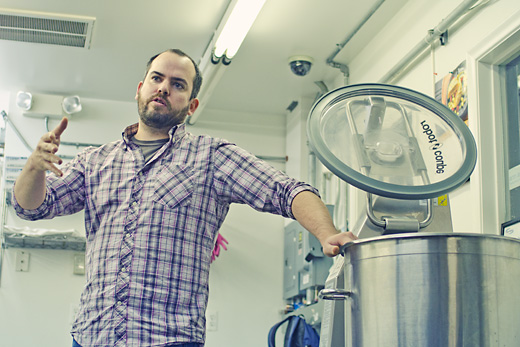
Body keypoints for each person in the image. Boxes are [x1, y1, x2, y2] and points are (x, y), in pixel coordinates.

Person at [12, 48, 357, 347]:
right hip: (91, 335)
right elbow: (30, 207)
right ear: (140, 89)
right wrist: (34, 167)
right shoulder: (95, 161)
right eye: (156, 78)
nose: (163, 88)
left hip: (170, 338)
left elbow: (288, 190)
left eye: (177, 84)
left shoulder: (212, 158)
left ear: (191, 104)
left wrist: (326, 234)